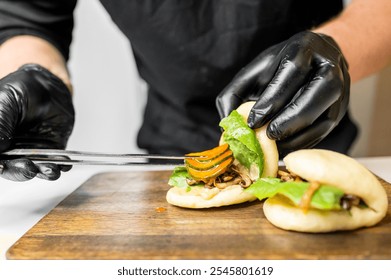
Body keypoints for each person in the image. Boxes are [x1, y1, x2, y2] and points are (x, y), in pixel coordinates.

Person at [0, 0, 390, 181]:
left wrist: (334, 50)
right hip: (168, 146)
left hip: (315, 135)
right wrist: (37, 76)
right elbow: (27, 18)